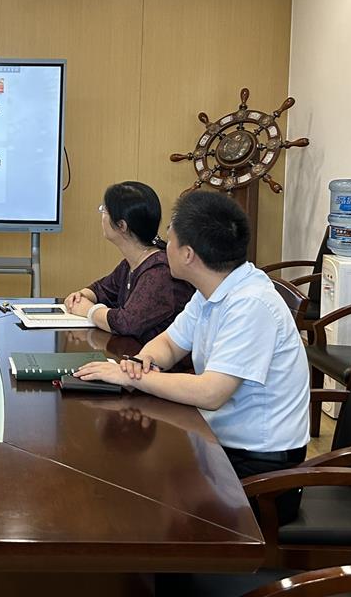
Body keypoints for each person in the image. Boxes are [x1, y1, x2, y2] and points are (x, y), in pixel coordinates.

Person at [75, 190, 310, 524]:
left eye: (169, 239)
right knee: (134, 483)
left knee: (145, 503)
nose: (162, 246)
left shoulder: (251, 304)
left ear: (187, 254)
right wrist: (142, 361)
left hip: (261, 471)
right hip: (218, 444)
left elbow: (211, 393)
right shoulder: (212, 288)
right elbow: (170, 344)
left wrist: (132, 377)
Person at [64, 182, 193, 342]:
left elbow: (126, 323)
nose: (102, 215)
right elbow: (102, 290)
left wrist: (89, 310)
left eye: (104, 210)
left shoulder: (160, 270)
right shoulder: (131, 263)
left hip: (159, 357)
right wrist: (80, 296)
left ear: (121, 225)